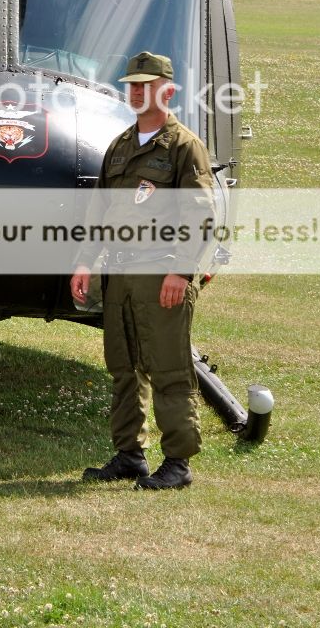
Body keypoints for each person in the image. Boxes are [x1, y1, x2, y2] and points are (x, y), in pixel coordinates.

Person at [70, 51, 214, 490]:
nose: (136, 91)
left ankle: (178, 463)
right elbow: (100, 212)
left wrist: (181, 272)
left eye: (145, 85)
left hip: (161, 274)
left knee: (169, 368)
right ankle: (129, 454)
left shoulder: (184, 147)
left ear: (166, 91)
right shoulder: (120, 146)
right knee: (125, 367)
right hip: (119, 274)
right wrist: (83, 261)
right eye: (131, 84)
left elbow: (201, 215)